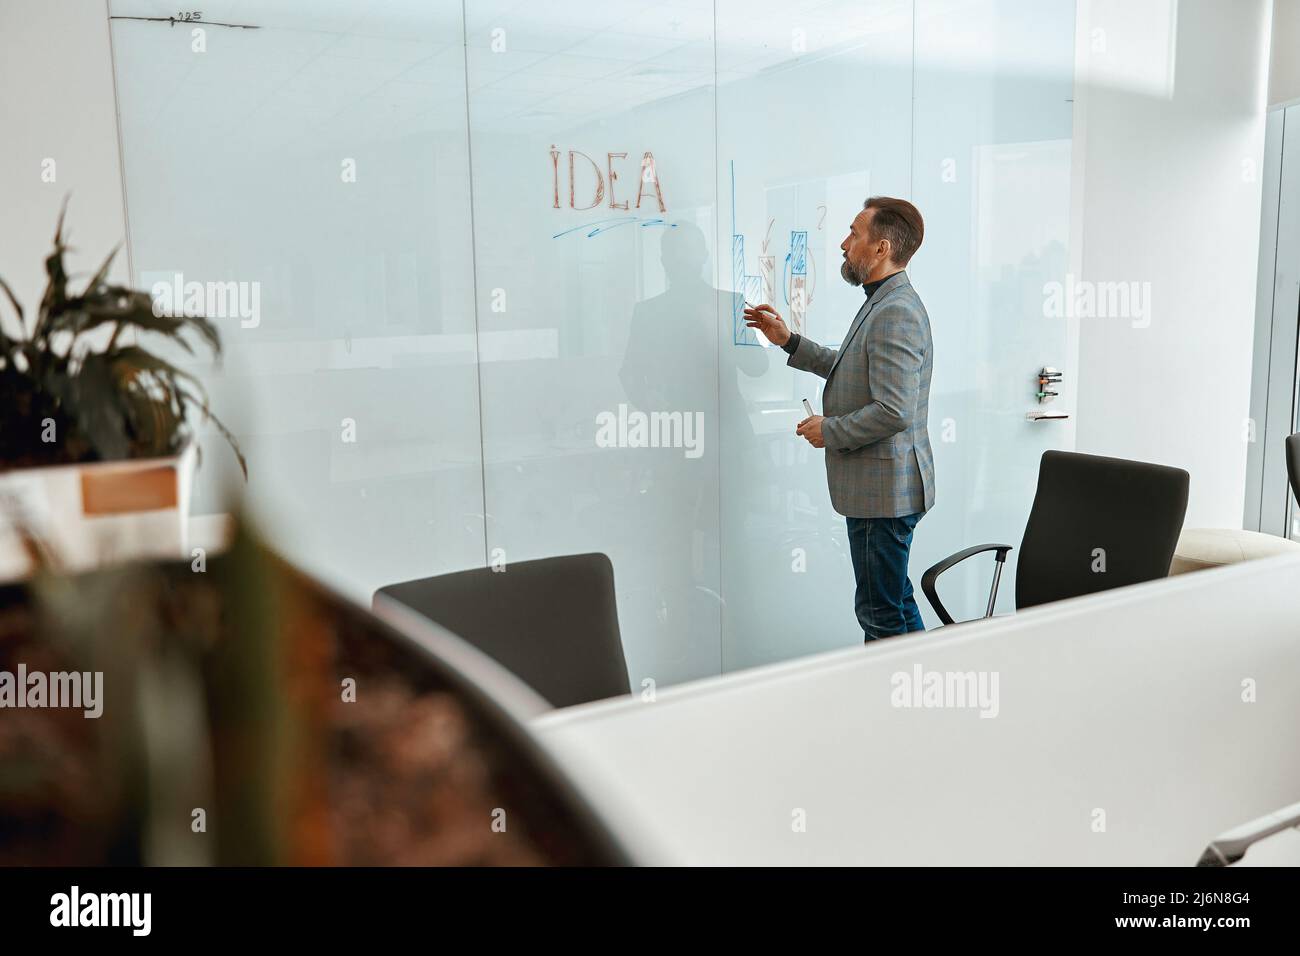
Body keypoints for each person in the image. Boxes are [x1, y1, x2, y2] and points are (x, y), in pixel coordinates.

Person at [744, 197, 934, 641]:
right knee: (896, 600)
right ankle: (924, 685)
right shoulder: (883, 301)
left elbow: (894, 410)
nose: (843, 244)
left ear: (881, 247)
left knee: (879, 613)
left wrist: (829, 431)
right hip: (885, 490)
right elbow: (851, 368)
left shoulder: (896, 312)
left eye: (853, 233)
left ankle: (894, 701)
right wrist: (789, 341)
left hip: (883, 494)